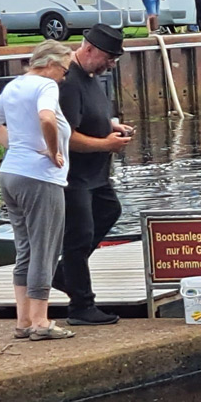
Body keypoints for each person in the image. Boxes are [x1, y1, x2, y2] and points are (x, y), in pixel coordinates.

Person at [0, 40, 75, 340]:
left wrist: (19, 147)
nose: (64, 76)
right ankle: (40, 321)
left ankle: (23, 321)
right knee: (44, 249)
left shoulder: (14, 86)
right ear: (50, 64)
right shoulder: (46, 87)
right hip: (40, 178)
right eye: (64, 70)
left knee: (25, 249)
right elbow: (47, 118)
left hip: (11, 173)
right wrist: (51, 150)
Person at [53, 25, 134, 327]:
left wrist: (112, 127)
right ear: (89, 50)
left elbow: (91, 117)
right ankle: (81, 306)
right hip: (74, 177)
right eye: (109, 58)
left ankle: (64, 274)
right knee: (79, 236)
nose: (111, 65)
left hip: (97, 174)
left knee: (110, 210)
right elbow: (66, 137)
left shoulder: (90, 77)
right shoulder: (68, 82)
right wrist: (106, 143)